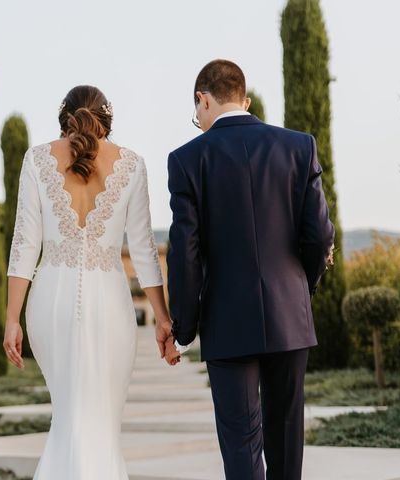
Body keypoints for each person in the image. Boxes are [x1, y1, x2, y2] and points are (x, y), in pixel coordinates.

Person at [159, 59, 335, 480]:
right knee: (287, 442)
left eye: (195, 111)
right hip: (289, 317)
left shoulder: (186, 159)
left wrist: (183, 329)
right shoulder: (299, 146)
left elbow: (184, 252)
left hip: (227, 322)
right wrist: (298, 286)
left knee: (241, 445)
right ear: (246, 100)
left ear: (203, 99)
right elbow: (319, 236)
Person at [2, 85, 180, 480]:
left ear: (64, 118)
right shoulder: (132, 165)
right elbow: (144, 251)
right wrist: (163, 318)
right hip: (110, 306)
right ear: (108, 120)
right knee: (98, 423)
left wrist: (12, 318)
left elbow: (24, 244)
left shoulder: (36, 159)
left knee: (67, 418)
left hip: (49, 302)